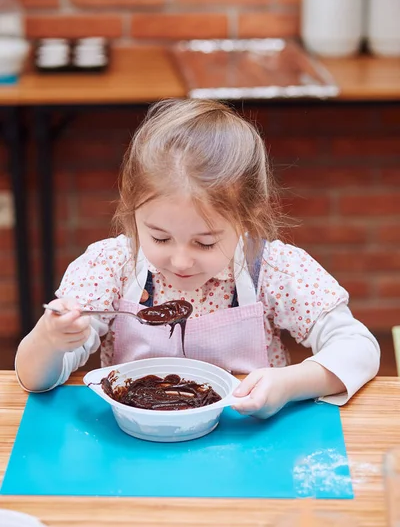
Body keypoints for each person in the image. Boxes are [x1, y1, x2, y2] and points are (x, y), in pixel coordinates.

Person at [15, 99, 380, 418]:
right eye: (159, 237)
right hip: (135, 443)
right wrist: (49, 339)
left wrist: (291, 383)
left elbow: (359, 349)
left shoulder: (271, 269)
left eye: (204, 243)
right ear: (131, 213)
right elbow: (35, 379)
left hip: (247, 441)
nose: (180, 261)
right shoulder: (111, 267)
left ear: (247, 218)